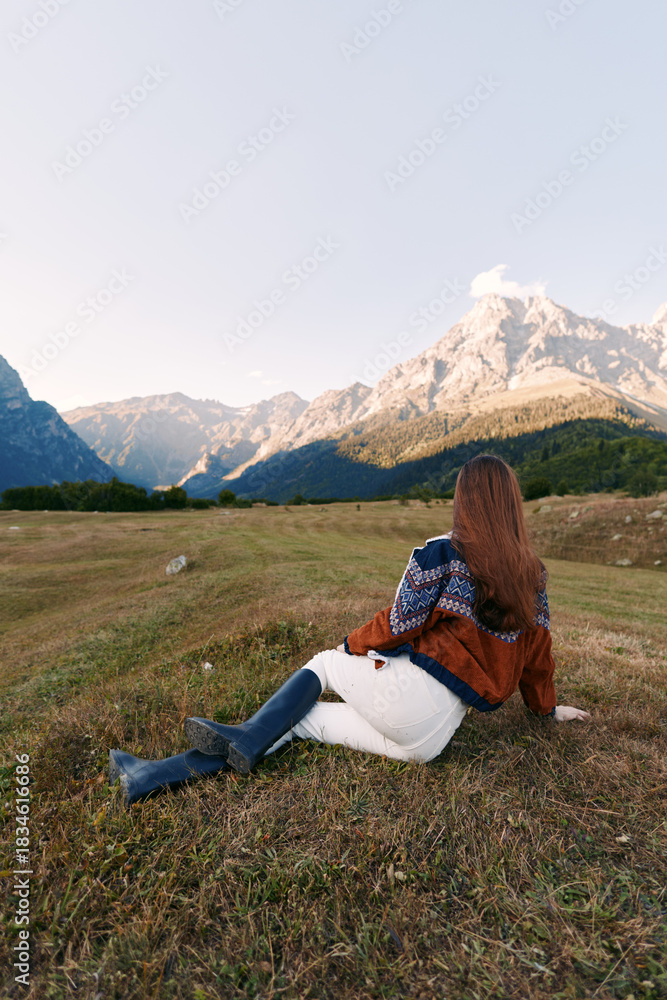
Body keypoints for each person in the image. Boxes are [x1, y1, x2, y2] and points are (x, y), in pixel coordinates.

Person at [109, 454, 589, 805]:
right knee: (301, 720)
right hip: (432, 743)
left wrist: (348, 647)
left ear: (463, 500)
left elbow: (399, 623)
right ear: (512, 504)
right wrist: (546, 712)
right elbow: (537, 659)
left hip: (410, 699)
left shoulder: (444, 552)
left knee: (322, 665)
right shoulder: (534, 575)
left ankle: (250, 736)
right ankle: (149, 776)